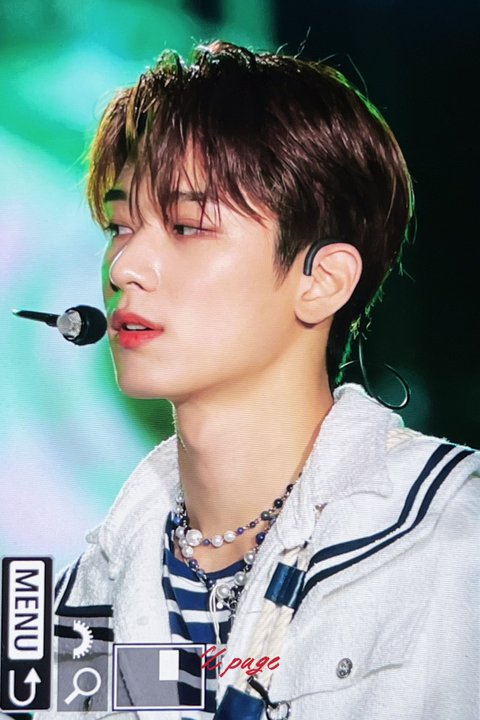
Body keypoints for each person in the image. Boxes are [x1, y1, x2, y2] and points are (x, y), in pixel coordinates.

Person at [40, 40, 479, 720]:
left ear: (323, 280)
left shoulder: (453, 540)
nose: (124, 266)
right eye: (119, 225)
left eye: (187, 226)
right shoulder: (80, 596)